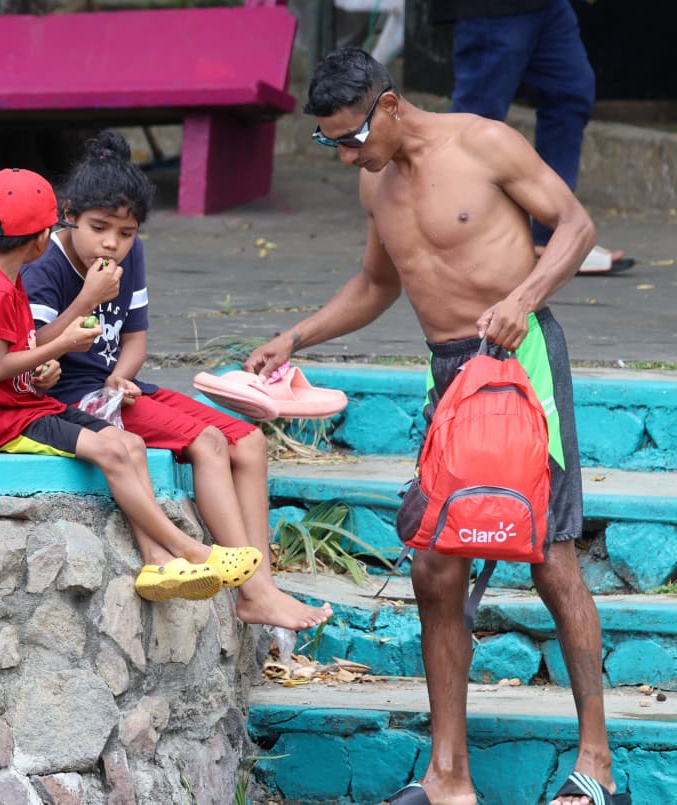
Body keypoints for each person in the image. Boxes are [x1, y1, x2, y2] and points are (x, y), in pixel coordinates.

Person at [244, 48, 628, 805]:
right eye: (329, 143)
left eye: (350, 136)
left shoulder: (483, 143)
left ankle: (599, 764)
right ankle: (449, 778)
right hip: (447, 374)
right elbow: (376, 284)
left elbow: (577, 227)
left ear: (388, 106)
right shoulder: (373, 186)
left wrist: (523, 296)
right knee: (434, 568)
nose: (346, 154)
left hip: (521, 366)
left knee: (551, 559)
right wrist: (297, 338)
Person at [21, 131, 332, 631]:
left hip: (114, 386)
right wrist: (88, 298)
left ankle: (265, 589)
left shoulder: (130, 253)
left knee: (249, 441)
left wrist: (121, 377)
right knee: (209, 443)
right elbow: (34, 350)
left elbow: (136, 341)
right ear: (70, 214)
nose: (112, 244)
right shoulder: (45, 266)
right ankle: (251, 592)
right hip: (71, 398)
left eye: (125, 233)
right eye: (100, 228)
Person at [0, 167, 263, 603]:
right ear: (41, 238)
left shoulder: (5, 281)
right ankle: (191, 549)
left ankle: (159, 564)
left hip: (23, 407)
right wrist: (62, 345)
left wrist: (42, 372)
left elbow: (13, 360)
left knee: (129, 443)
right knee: (115, 450)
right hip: (0, 422)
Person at [430, 0, 633, 276]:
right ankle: (446, 237)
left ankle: (554, 240)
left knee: (570, 94)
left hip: (548, 6)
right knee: (475, 121)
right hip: (492, 10)